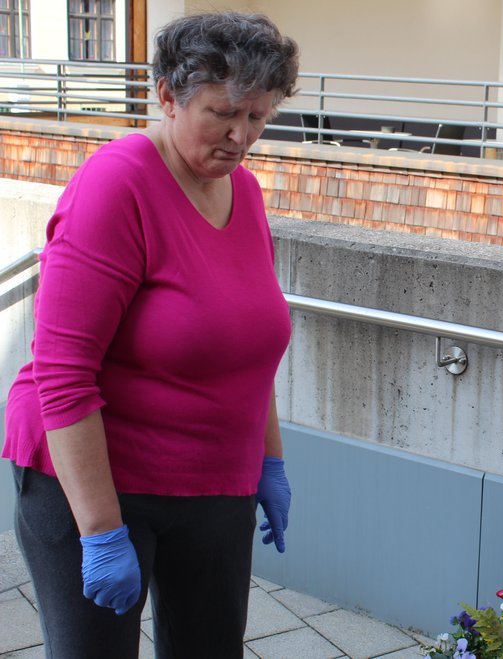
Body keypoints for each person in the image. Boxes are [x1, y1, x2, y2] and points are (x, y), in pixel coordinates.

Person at [2, 12, 299, 658]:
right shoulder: (117, 184)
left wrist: (269, 460)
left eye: (257, 118)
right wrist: (102, 531)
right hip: (97, 482)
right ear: (166, 95)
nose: (240, 136)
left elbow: (248, 346)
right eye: (222, 113)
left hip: (216, 482)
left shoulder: (242, 192)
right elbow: (61, 368)